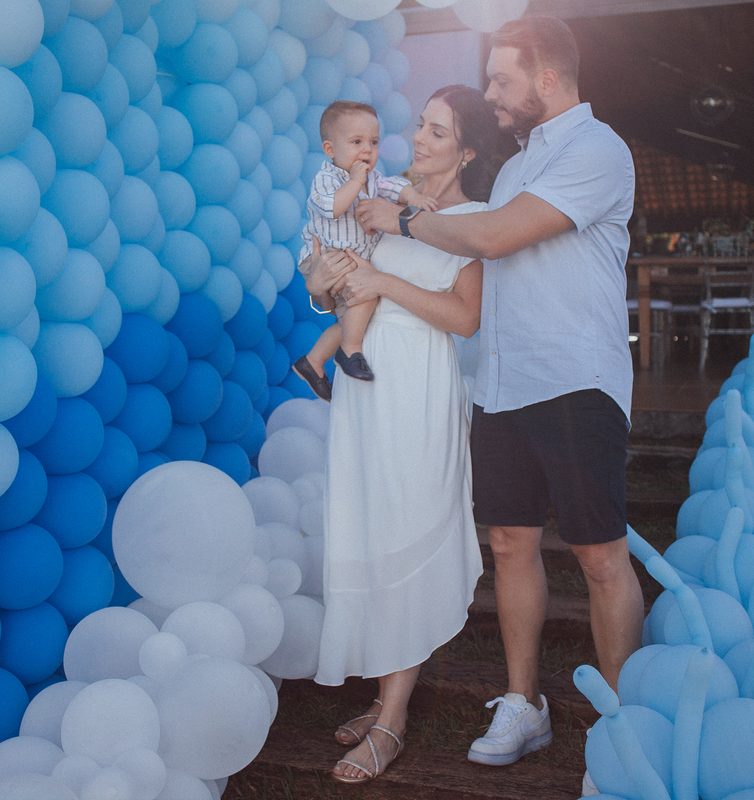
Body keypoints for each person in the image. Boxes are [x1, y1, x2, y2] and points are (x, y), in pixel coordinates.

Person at [355, 16, 644, 772]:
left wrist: (407, 219)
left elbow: (492, 238)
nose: (492, 94)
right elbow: (474, 239)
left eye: (502, 80)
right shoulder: (516, 165)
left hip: (575, 379)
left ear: (548, 77)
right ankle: (525, 704)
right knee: (511, 544)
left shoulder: (598, 151)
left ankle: (619, 722)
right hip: (505, 383)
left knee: (600, 557)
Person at [303, 85, 513, 784]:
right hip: (364, 393)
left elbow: (463, 319)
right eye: (420, 125)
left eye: (438, 131)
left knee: (407, 527)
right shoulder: (383, 197)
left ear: (469, 149)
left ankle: (391, 717)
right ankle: (385, 692)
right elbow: (333, 274)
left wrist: (381, 285)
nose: (418, 138)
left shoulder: (476, 221)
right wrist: (322, 276)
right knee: (367, 526)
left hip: (418, 388)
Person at [292, 101, 438, 400]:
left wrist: (413, 196)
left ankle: (313, 361)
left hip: (350, 259)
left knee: (351, 318)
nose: (367, 150)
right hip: (327, 257)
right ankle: (349, 352)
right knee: (365, 293)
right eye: (356, 142)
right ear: (331, 150)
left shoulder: (372, 179)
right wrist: (356, 181)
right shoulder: (327, 178)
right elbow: (332, 208)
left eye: (373, 142)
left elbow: (392, 187)